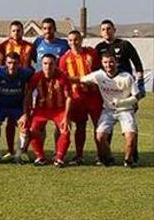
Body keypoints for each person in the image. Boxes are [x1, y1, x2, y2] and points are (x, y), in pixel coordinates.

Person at [71, 51, 141, 167]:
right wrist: (61, 76)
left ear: (116, 62)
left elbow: (137, 96)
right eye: (105, 62)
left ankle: (128, 159)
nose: (108, 65)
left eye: (111, 62)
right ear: (102, 63)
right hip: (108, 110)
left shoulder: (126, 77)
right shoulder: (98, 75)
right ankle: (109, 157)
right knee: (100, 136)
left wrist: (121, 102)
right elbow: (80, 79)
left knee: (130, 137)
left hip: (125, 110)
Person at [59, 30, 102, 165]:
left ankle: (101, 155)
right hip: (77, 97)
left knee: (99, 126)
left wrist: (78, 79)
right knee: (80, 126)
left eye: (76, 39)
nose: (73, 42)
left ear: (81, 39)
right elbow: (64, 79)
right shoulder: (65, 59)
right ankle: (79, 156)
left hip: (94, 96)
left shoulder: (91, 53)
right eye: (71, 40)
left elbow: (100, 73)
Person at [26, 54, 72, 167]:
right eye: (45, 63)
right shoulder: (37, 76)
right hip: (41, 109)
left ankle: (59, 158)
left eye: (51, 63)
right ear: (41, 65)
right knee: (32, 129)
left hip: (59, 109)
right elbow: (28, 94)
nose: (48, 66)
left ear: (55, 64)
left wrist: (66, 117)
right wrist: (28, 112)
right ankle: (40, 157)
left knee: (65, 130)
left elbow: (69, 97)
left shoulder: (62, 76)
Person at [0, 21, 34, 157]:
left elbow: (34, 65)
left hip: (23, 85)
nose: (16, 33)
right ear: (9, 32)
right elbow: (0, 65)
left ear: (22, 32)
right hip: (7, 85)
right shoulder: (3, 46)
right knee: (7, 122)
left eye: (18, 30)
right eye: (13, 31)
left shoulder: (30, 47)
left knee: (24, 120)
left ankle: (22, 151)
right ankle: (9, 150)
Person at [0, 52, 34, 163]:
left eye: (15, 63)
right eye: (9, 63)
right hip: (1, 106)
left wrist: (26, 113)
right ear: (5, 63)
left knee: (25, 127)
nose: (12, 66)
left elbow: (28, 93)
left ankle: (18, 155)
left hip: (17, 107)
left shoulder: (26, 73)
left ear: (19, 63)